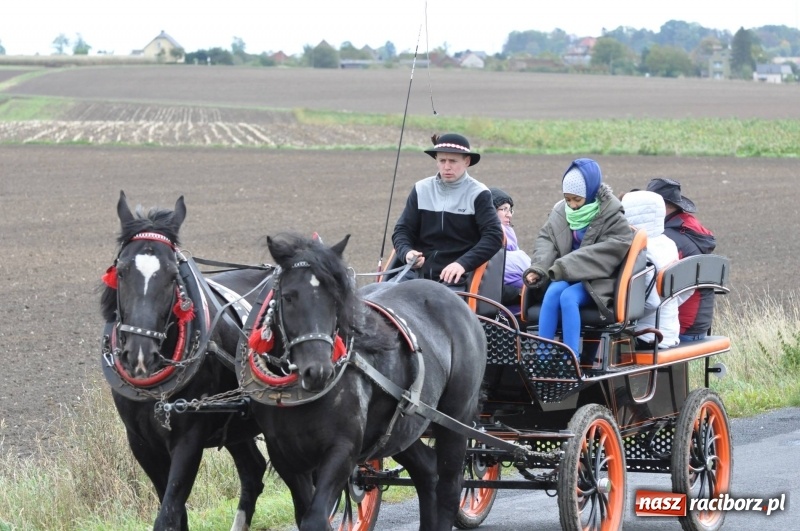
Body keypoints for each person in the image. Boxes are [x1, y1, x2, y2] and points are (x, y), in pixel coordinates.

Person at [523, 158, 632, 355]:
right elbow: (547, 241)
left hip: (597, 281)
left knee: (568, 297)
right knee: (553, 292)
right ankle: (543, 355)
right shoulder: (560, 212)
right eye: (568, 199)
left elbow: (606, 253)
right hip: (565, 274)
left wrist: (562, 267)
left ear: (590, 193)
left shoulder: (613, 217)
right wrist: (539, 268)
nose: (572, 205)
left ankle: (571, 357)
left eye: (577, 200)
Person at [392, 133, 503, 290]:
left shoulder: (478, 193)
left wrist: (462, 264)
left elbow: (494, 237)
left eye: (453, 161)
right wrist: (407, 253)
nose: (447, 166)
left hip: (458, 278)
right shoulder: (421, 189)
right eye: (442, 160)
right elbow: (402, 230)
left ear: (467, 161)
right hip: (416, 273)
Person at [646, 178, 717, 342]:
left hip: (682, 326)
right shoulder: (688, 229)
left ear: (662, 206)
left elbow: (653, 287)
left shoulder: (669, 239)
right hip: (699, 323)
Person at [621, 190, 681, 348]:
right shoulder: (669, 244)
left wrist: (625, 318)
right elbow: (681, 291)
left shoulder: (643, 250)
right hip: (670, 331)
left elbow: (651, 303)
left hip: (648, 335)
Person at [489, 187, 531, 310]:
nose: (509, 215)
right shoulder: (490, 234)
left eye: (510, 210)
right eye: (504, 210)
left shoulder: (509, 232)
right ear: (491, 211)